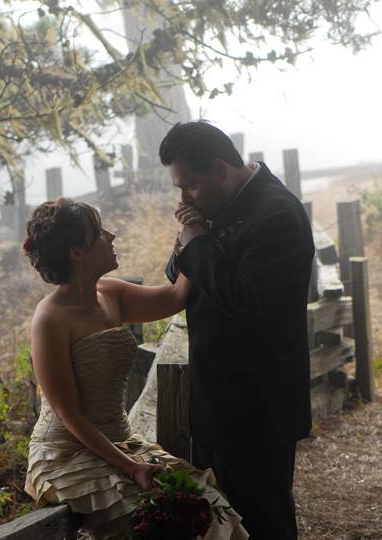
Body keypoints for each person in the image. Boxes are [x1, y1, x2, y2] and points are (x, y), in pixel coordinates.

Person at [23, 198, 247, 539]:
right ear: (76, 253)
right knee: (162, 517)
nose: (111, 236)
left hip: (122, 440)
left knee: (209, 508)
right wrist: (131, 469)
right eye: (98, 233)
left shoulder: (110, 293)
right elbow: (68, 414)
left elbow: (175, 297)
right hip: (67, 455)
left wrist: (192, 242)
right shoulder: (50, 319)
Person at [161, 120, 315, 539]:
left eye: (188, 185)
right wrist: (188, 242)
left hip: (258, 410)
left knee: (263, 524)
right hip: (215, 406)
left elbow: (246, 302)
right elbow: (179, 272)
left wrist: (197, 242)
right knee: (222, 526)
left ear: (220, 170)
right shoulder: (218, 208)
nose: (182, 199)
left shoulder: (277, 215)